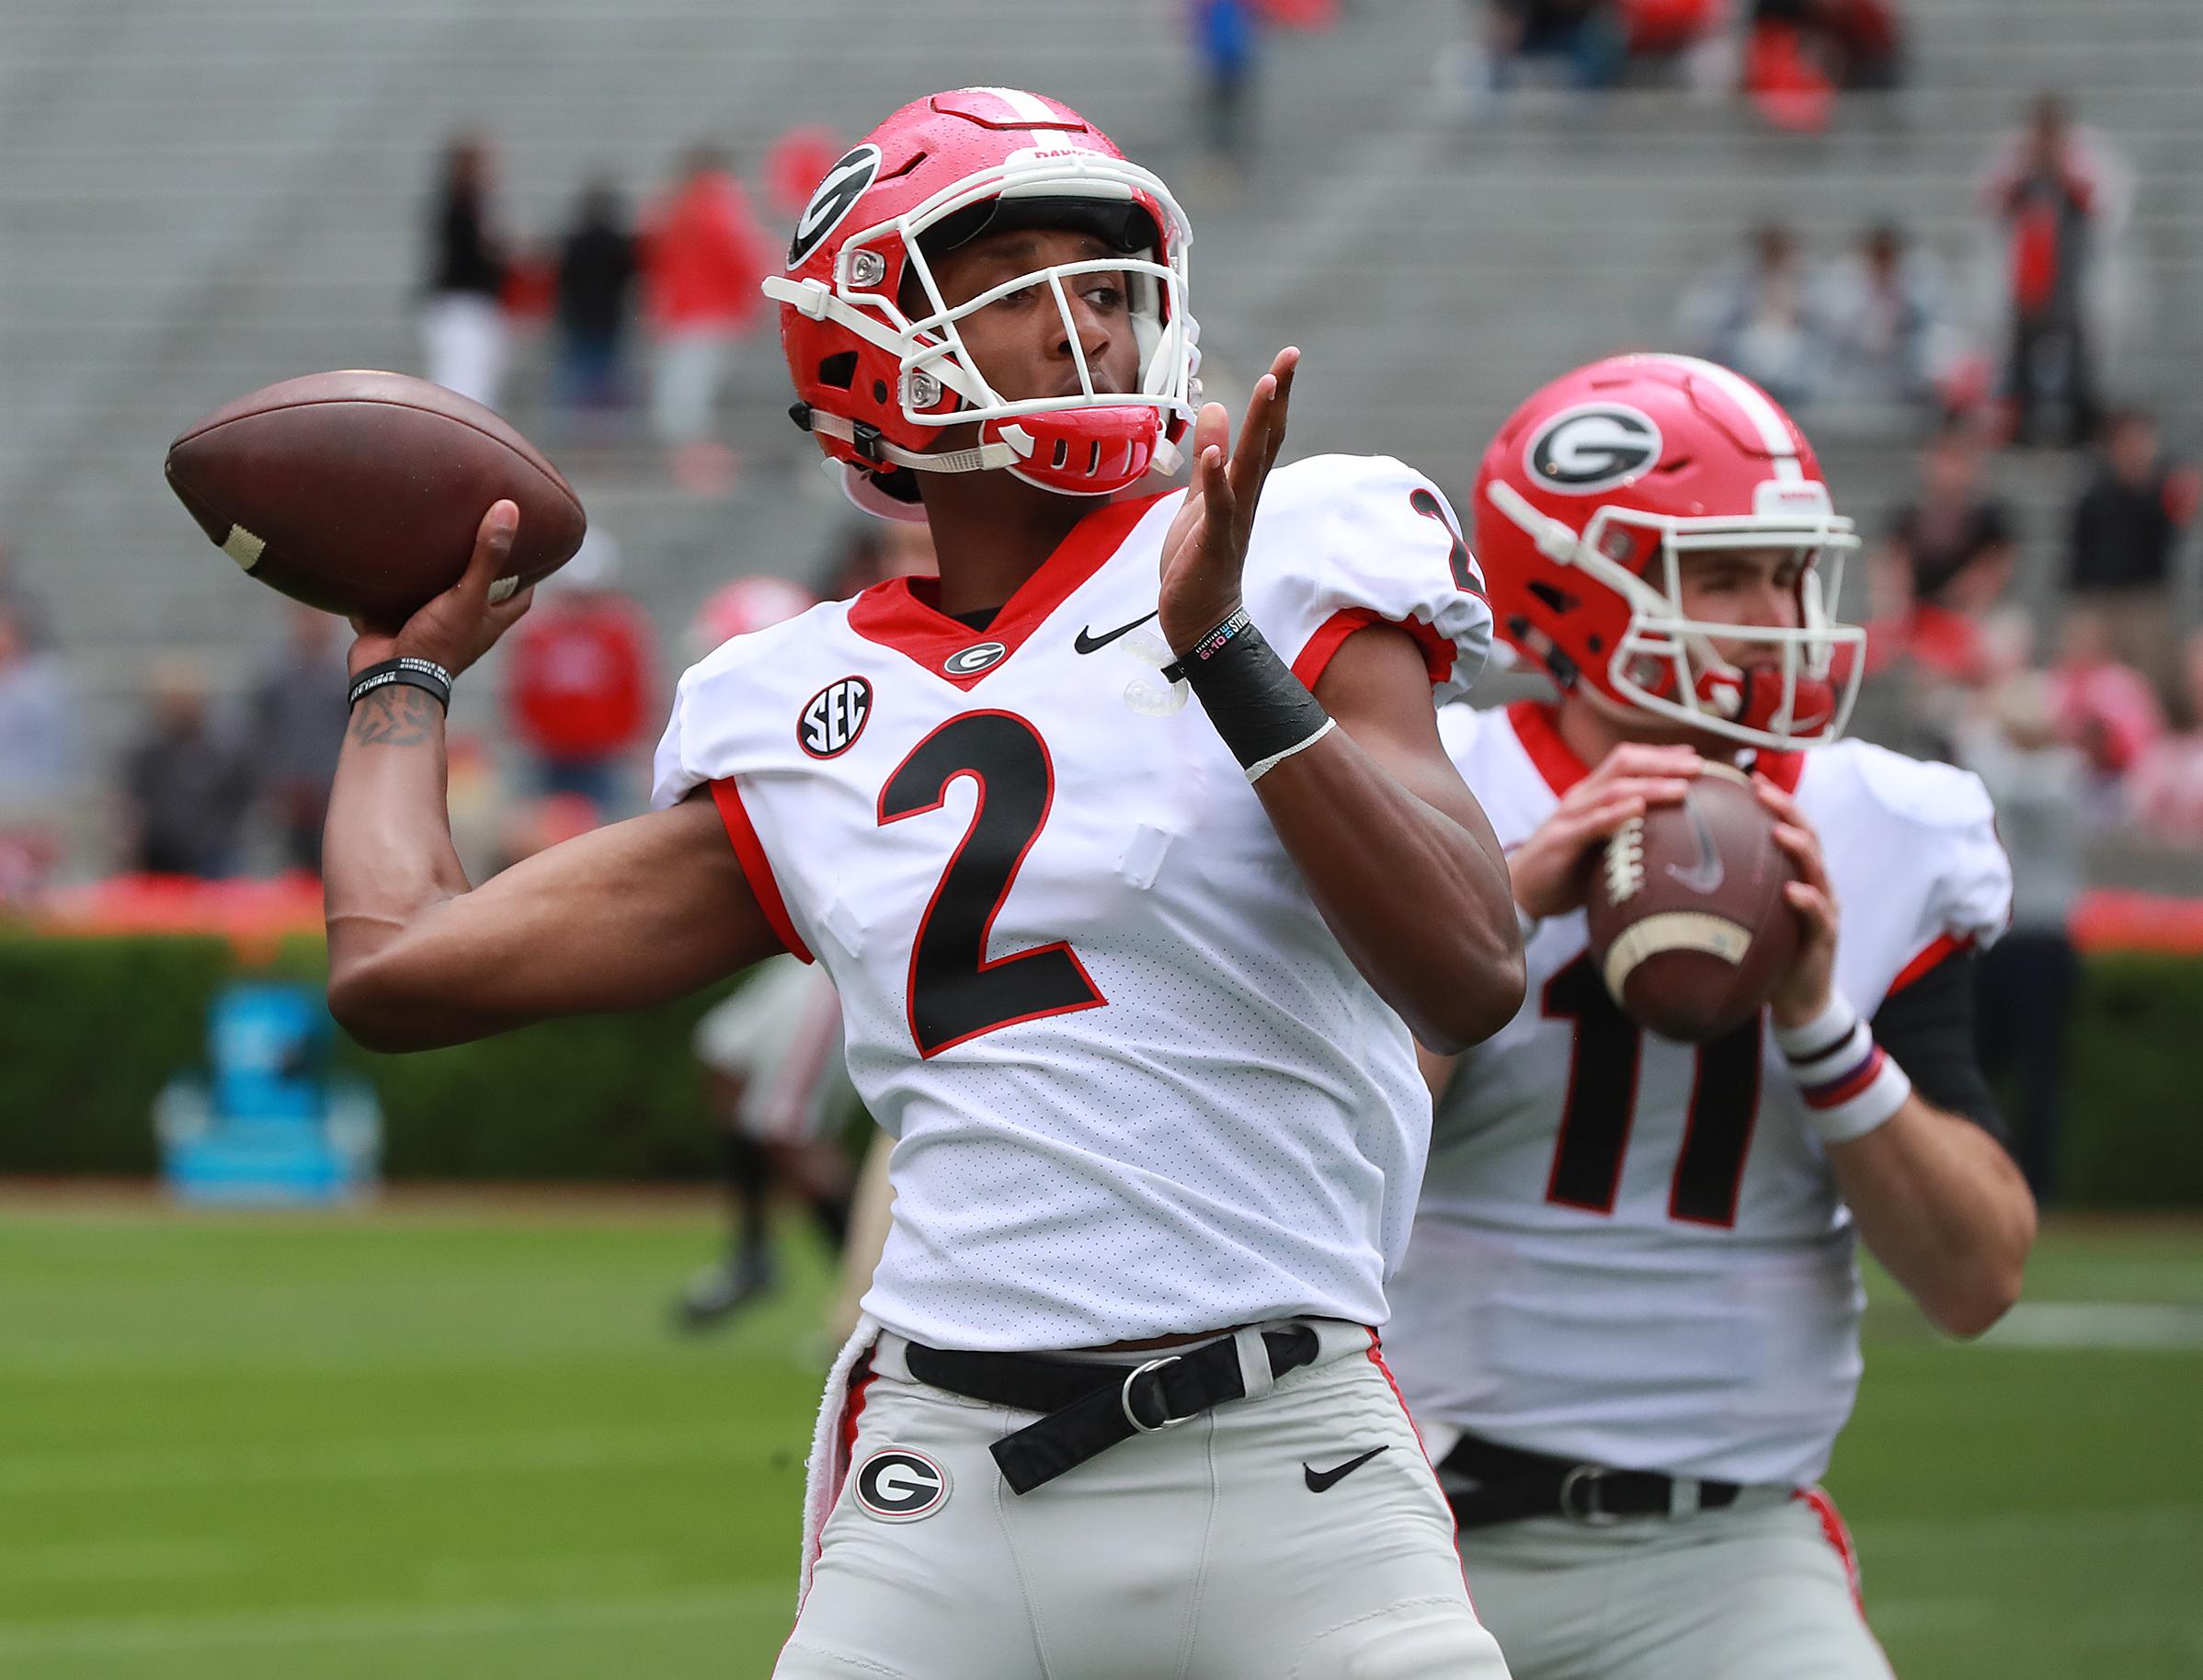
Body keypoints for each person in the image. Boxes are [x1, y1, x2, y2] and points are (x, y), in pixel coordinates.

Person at [321, 87, 1523, 1679]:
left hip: (1296, 1447)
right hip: (951, 1476)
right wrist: (401, 686)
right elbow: (401, 962)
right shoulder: (799, 700)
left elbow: (1470, 968)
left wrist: (1223, 648)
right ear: (870, 340)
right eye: (1013, 276)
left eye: (1105, 282)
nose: (1082, 322)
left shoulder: (1291, 547)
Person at [1381, 352, 2037, 1680]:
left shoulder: (1889, 826)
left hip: (1726, 1554)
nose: (1773, 614)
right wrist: (1489, 916)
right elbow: (1291, 1165)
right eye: (1723, 575)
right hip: (1390, 1523)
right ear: (1563, 585)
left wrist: (1821, 1022)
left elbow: (1978, 1277)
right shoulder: (1439, 790)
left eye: (1789, 572)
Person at [1978, 93, 2130, 448]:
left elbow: (2104, 205)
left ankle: (2082, 426)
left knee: (2079, 354)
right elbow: (1991, 203)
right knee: (2022, 355)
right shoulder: (2017, 161)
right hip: (2026, 281)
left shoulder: (2084, 158)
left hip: (2071, 278)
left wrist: (2064, 172)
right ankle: (2021, 424)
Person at [499, 531, 657, 820]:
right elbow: (522, 691)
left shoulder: (620, 632)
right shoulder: (538, 633)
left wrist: (630, 741)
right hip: (548, 754)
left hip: (604, 756)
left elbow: (635, 692)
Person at [641, 145, 771, 489]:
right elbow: (745, 253)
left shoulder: (677, 206)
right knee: (691, 396)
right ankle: (697, 465)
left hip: (689, 313)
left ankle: (694, 464)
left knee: (686, 397)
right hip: (710, 313)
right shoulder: (715, 205)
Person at [2066, 408, 2200, 703]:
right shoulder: (2094, 495)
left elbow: (2173, 530)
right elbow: (2081, 549)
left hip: (2146, 601)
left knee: (2149, 684)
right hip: (2102, 601)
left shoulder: (2160, 491)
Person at [123, 660, 255, 878]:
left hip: (213, 852)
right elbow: (137, 802)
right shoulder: (149, 752)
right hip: (163, 851)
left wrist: (216, 831)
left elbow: (240, 795)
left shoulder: (222, 748)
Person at [1675, 222, 1827, 410]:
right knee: (1756, 345)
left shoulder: (1806, 280)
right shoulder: (1732, 281)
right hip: (1744, 349)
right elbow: (1707, 323)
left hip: (1795, 352)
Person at [250, 604, 350, 874]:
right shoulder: (276, 681)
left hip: (332, 794)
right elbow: (261, 738)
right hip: (290, 797)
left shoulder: (344, 679)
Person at [1881, 422, 2017, 616]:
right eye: (1943, 461)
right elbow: (1891, 564)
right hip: (1916, 610)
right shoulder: (1909, 515)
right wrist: (1899, 606)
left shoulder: (1989, 517)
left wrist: (1960, 609)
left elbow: (1995, 570)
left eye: (1956, 462)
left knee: (2008, 629)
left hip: (1972, 610)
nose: (1948, 471)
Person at [419, 135, 509, 410]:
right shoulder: (460, 206)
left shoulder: (470, 206)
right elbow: (478, 254)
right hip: (462, 305)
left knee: (474, 381)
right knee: (462, 385)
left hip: (470, 304)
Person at [553, 178, 639, 417]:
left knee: (578, 374)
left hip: (579, 318)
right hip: (606, 318)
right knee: (603, 375)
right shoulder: (618, 243)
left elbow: (564, 279)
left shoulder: (575, 242)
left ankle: (573, 421)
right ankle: (602, 423)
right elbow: (628, 275)